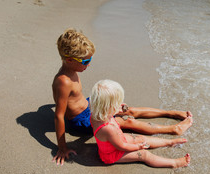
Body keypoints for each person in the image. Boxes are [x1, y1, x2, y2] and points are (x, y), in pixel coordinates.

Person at [52, 28, 193, 165]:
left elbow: (65, 100)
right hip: (83, 120)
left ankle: (169, 113)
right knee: (127, 121)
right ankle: (173, 129)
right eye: (85, 62)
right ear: (70, 60)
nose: (88, 65)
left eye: (90, 60)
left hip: (89, 105)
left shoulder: (71, 71)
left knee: (127, 110)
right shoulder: (63, 81)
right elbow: (59, 115)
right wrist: (62, 147)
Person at [90, 80, 191, 168]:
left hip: (116, 141)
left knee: (141, 138)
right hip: (112, 153)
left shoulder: (97, 115)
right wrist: (138, 147)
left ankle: (170, 142)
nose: (120, 104)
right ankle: (174, 163)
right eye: (117, 103)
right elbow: (122, 147)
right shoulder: (108, 129)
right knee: (143, 154)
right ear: (109, 107)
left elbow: (108, 119)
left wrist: (116, 110)